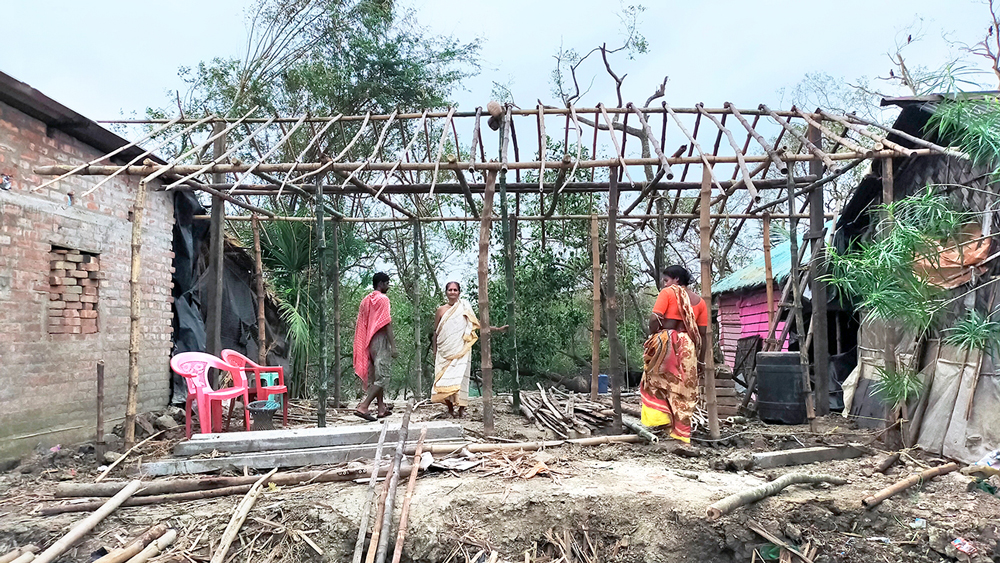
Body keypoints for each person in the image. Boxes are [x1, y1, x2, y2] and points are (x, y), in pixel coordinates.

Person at [639, 265, 709, 443]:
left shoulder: (668, 293)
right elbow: (702, 334)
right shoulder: (700, 302)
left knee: (654, 380)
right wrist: (700, 362)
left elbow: (655, 318)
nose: (665, 284)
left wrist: (653, 335)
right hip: (688, 347)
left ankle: (662, 420)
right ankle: (680, 434)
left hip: (667, 342)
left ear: (676, 280)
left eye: (666, 280)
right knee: (683, 389)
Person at [353, 272, 398, 421]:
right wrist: (393, 346)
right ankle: (364, 406)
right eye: (387, 283)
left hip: (369, 341)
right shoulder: (383, 299)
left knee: (378, 376)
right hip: (380, 339)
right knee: (383, 376)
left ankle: (381, 408)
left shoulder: (366, 300)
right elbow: (387, 323)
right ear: (381, 284)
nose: (388, 287)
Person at [431, 281, 480, 418]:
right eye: (450, 290)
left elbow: (472, 326)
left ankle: (462, 409)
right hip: (444, 350)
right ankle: (450, 408)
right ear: (446, 292)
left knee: (461, 379)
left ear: (459, 292)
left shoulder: (464, 308)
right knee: (442, 380)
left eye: (455, 290)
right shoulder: (440, 310)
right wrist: (435, 351)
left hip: (461, 350)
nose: (452, 292)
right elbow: (435, 332)